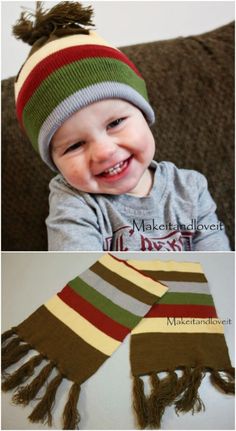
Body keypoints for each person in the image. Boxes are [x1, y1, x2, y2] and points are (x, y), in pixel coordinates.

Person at [13, 1, 230, 251]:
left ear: (144, 114)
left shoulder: (190, 189)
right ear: (54, 161)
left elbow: (217, 262)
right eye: (74, 145)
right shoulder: (74, 201)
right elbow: (76, 269)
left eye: (115, 123)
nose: (104, 151)